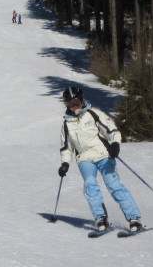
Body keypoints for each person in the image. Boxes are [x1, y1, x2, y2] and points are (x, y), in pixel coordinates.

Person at [57, 86, 143, 232]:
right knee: (90, 185)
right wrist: (65, 163)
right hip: (84, 158)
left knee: (113, 185)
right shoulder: (66, 124)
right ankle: (100, 218)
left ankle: (134, 218)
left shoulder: (93, 114)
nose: (73, 107)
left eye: (76, 102)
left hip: (103, 155)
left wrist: (115, 144)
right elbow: (66, 147)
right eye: (69, 104)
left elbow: (111, 130)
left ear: (82, 100)